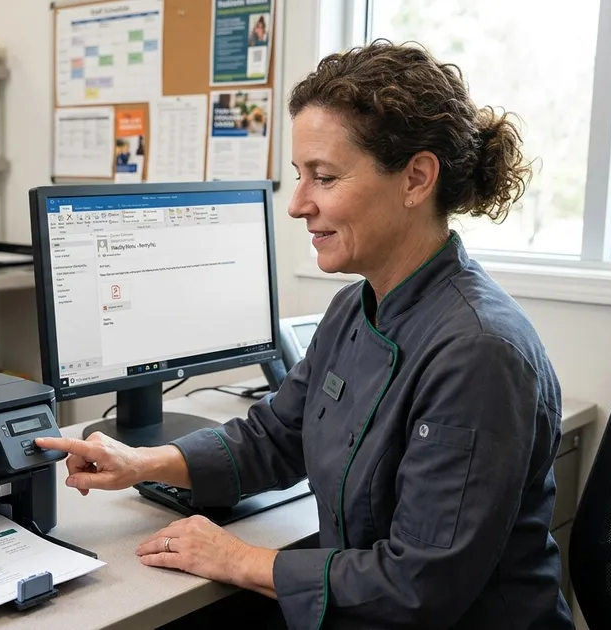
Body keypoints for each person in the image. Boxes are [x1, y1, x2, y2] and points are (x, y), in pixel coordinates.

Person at [36, 39, 575, 630]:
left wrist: (241, 559)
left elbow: (417, 586)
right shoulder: (356, 307)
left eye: (324, 177)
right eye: (299, 176)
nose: (296, 205)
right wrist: (141, 462)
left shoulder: (479, 354)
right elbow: (277, 436)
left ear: (417, 178)